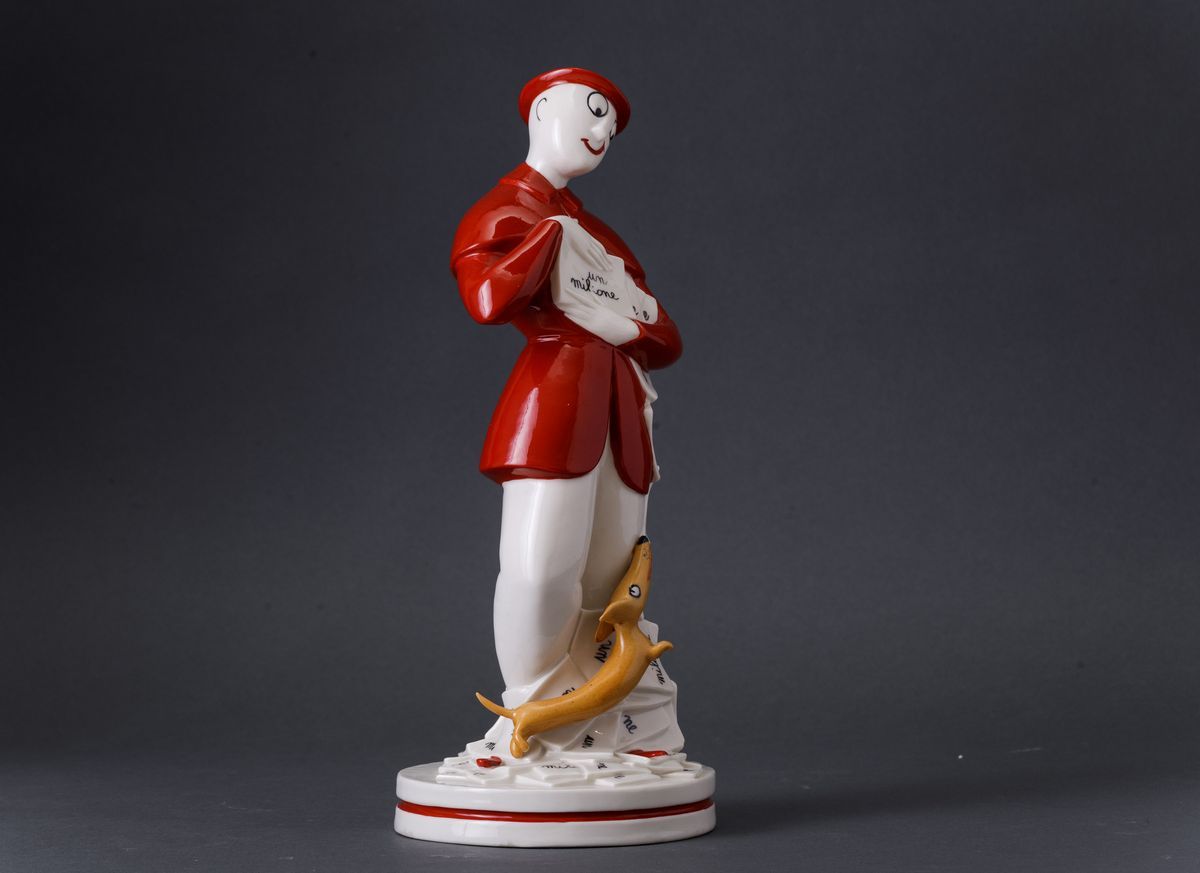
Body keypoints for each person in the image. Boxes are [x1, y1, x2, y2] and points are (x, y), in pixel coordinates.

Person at [450, 68, 684, 755]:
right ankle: (532, 712)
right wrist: (549, 240)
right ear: (542, 110)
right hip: (552, 404)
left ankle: (606, 719)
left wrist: (622, 327)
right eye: (594, 110)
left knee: (610, 582)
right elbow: (489, 300)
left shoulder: (601, 234)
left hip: (622, 412)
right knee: (541, 569)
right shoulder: (505, 210)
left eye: (612, 123)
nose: (605, 129)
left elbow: (666, 335)